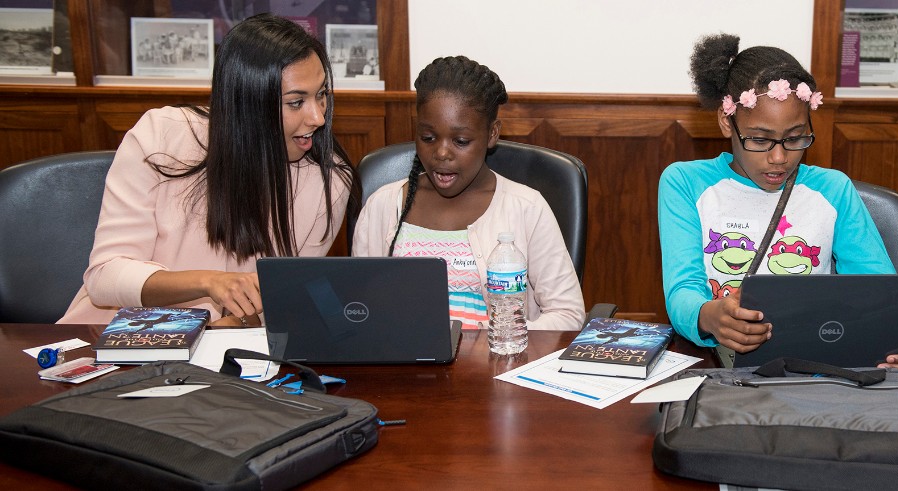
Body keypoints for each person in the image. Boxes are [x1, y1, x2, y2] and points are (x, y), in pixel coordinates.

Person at [659, 33, 898, 371]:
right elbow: (682, 291)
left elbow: (879, 292)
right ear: (725, 121)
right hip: (723, 370)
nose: (779, 158)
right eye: (759, 139)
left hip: (816, 369)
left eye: (795, 138)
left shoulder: (833, 189)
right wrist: (709, 316)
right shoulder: (685, 183)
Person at [59, 14, 356, 326]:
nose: (317, 117)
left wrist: (236, 324)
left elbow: (286, 298)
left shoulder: (330, 179)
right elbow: (105, 278)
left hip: (225, 346)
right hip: (113, 335)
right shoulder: (162, 136)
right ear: (247, 102)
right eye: (296, 102)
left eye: (321, 95)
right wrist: (209, 282)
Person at [351, 56, 585, 331]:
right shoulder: (383, 205)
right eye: (428, 138)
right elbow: (357, 307)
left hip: (496, 356)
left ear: (492, 134)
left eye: (461, 141)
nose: (441, 153)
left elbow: (568, 314)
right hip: (403, 357)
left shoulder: (526, 208)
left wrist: (496, 336)